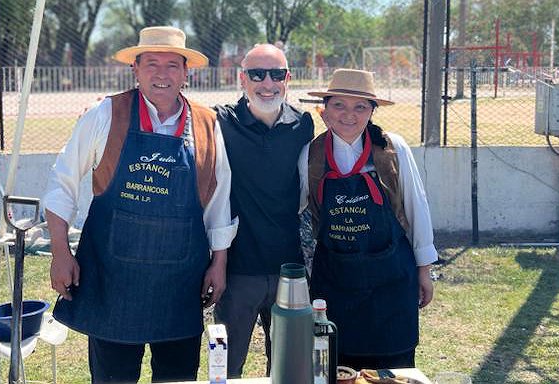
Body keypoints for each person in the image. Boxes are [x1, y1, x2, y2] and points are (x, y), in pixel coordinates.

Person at [43, 26, 237, 383]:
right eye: (151, 63)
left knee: (177, 378)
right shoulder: (106, 115)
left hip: (180, 283)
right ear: (135, 68)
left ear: (185, 72)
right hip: (112, 282)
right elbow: (62, 183)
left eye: (172, 65)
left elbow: (219, 200)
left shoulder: (208, 124)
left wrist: (219, 263)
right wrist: (60, 252)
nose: (161, 74)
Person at [303, 69, 437, 370]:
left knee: (393, 368)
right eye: (339, 105)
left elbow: (418, 208)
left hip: (391, 282)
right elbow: (298, 210)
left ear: (372, 112)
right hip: (335, 283)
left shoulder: (392, 149)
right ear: (324, 111)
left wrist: (424, 271)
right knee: (336, 365)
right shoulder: (310, 155)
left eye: (360, 106)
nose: (349, 115)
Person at [212, 43, 314, 378]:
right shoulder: (221, 122)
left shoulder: (303, 126)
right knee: (228, 368)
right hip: (238, 270)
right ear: (242, 79)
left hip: (289, 269)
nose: (266, 83)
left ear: (288, 79)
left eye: (276, 75)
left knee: (290, 367)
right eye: (257, 74)